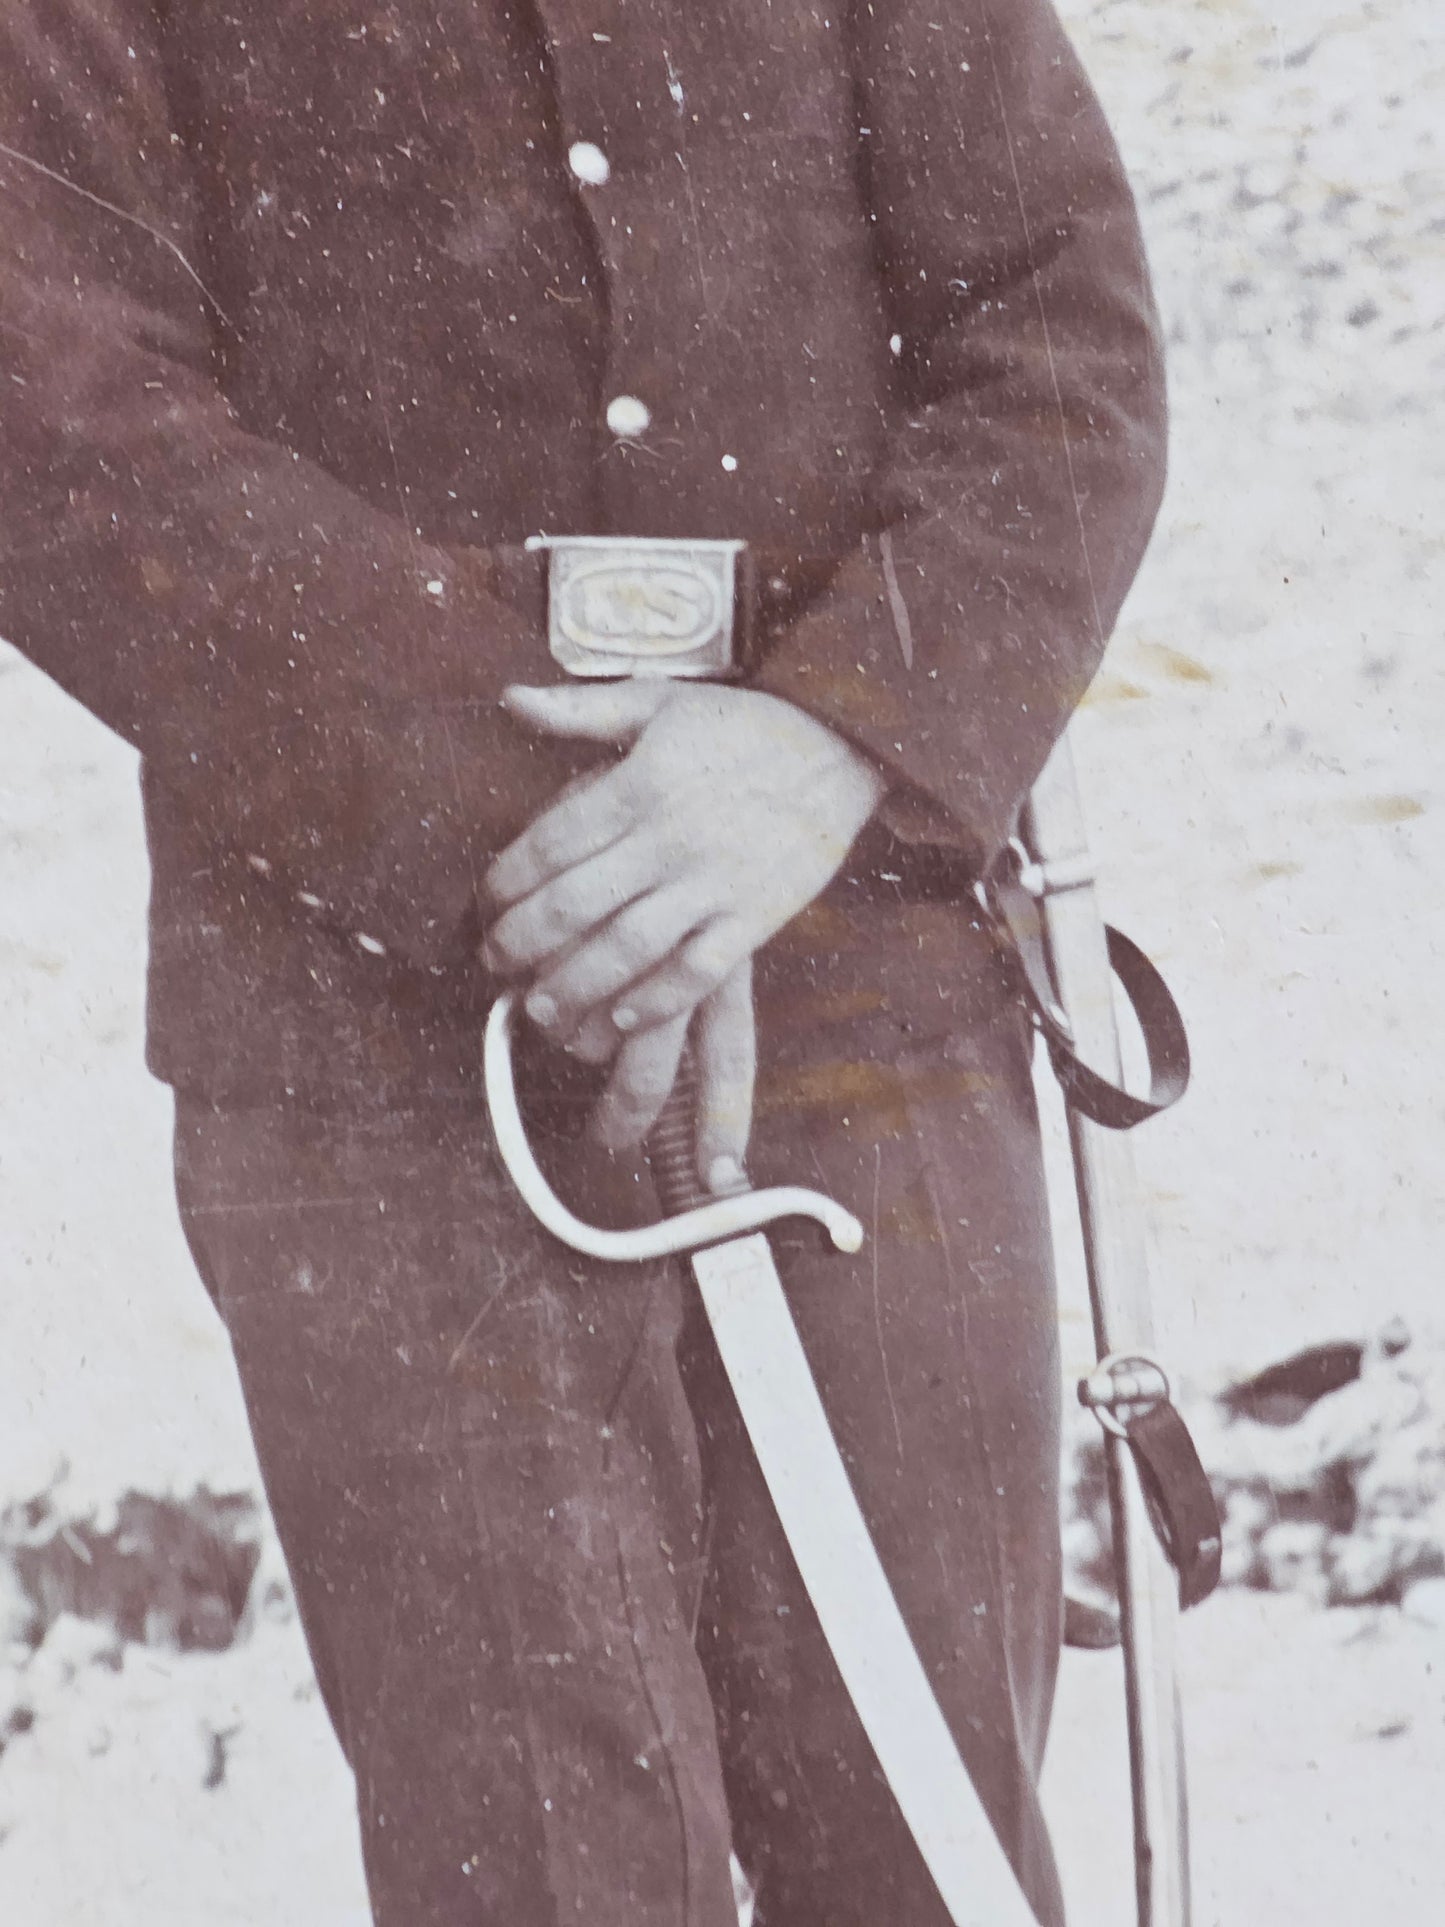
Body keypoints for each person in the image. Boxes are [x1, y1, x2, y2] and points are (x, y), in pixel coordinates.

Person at [0, 1, 1165, 1921]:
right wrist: (562, 853)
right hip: (370, 1054)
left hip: (864, 985)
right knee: (539, 1866)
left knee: (921, 1843)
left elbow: (1057, 330)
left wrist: (822, 749)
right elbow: (58, 415)